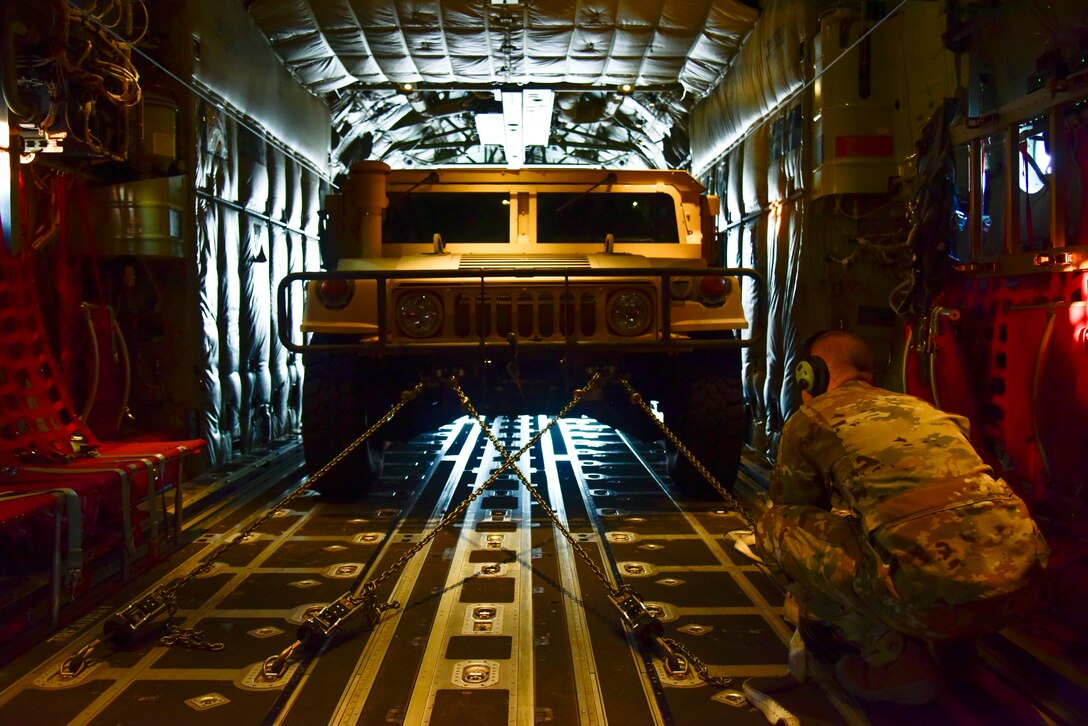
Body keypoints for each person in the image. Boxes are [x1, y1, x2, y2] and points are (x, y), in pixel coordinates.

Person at [754, 330, 1048, 705]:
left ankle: (892, 661)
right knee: (945, 525)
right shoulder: (926, 410)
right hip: (1023, 588)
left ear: (809, 375)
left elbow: (795, 508)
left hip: (928, 600)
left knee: (775, 528)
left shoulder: (812, 418)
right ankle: (957, 655)